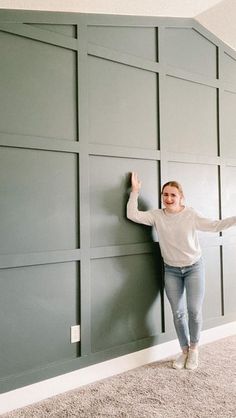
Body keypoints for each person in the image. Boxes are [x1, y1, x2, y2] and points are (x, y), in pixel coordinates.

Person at [127, 172, 236, 370]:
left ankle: (194, 349)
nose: (168, 199)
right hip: (171, 270)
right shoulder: (157, 216)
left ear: (181, 197)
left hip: (194, 267)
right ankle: (184, 350)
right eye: (165, 195)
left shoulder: (190, 215)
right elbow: (132, 214)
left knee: (193, 311)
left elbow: (215, 225)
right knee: (178, 312)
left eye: (173, 195)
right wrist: (135, 191)